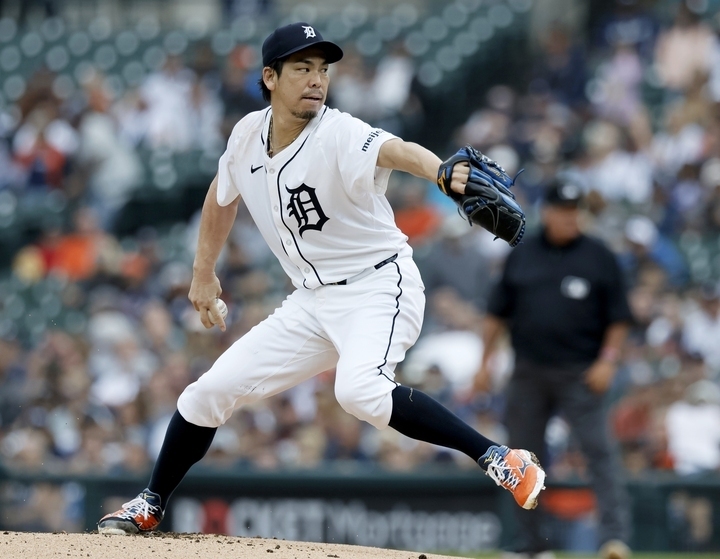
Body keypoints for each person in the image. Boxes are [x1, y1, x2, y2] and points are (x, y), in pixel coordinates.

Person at [97, 22, 545, 535]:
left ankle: (499, 457)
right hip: (311, 302)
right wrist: (203, 275)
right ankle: (150, 503)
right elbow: (222, 197)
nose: (316, 79)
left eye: (322, 69)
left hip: (379, 286)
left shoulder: (339, 132)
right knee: (205, 393)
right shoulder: (246, 135)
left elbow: (395, 150)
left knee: (359, 392)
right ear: (270, 77)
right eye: (302, 68)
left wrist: (441, 171)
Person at [473, 180, 633, 559]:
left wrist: (608, 360)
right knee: (520, 460)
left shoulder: (599, 256)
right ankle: (530, 545)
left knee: (600, 455)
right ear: (547, 212)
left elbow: (620, 318)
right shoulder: (523, 255)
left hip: (580, 373)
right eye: (563, 210)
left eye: (575, 210)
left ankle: (615, 539)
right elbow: (496, 313)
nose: (570, 217)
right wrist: (484, 362)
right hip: (528, 371)